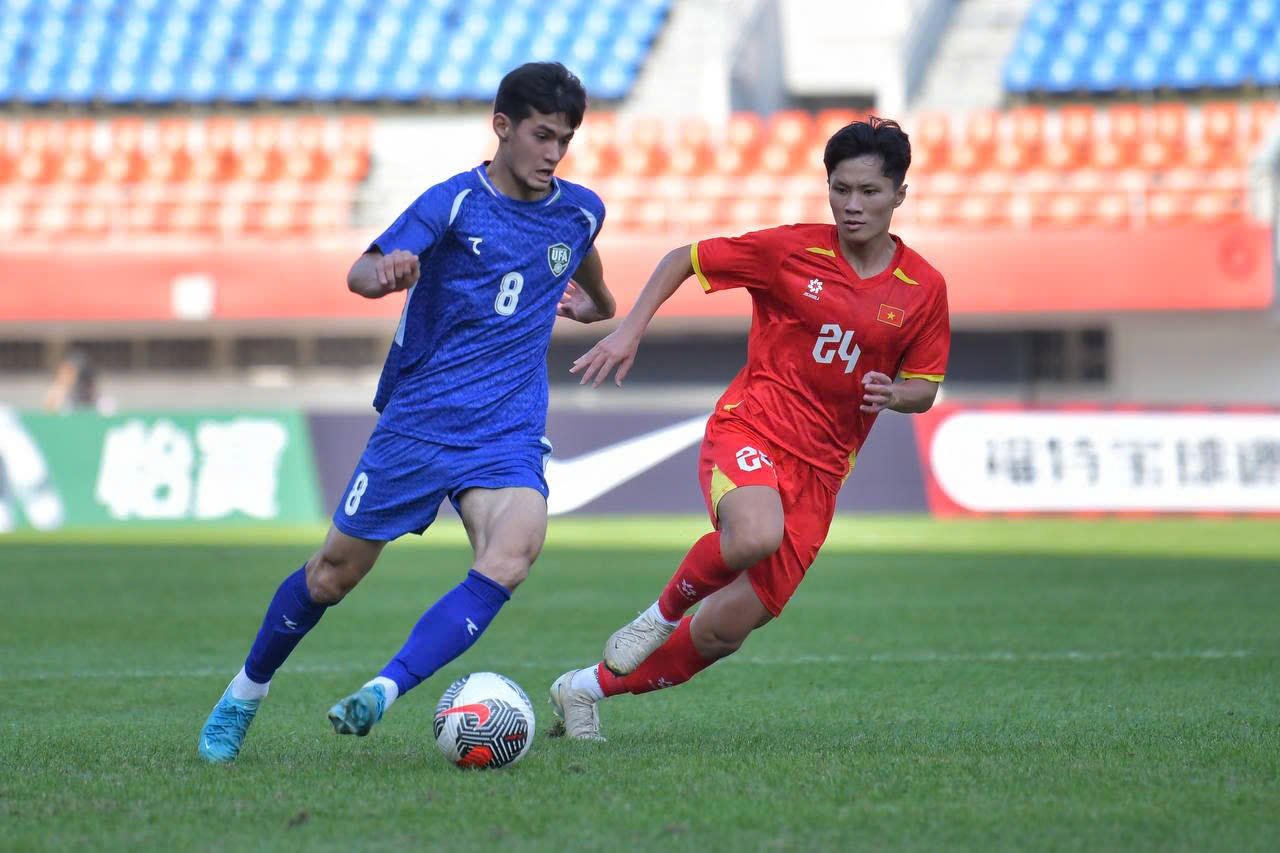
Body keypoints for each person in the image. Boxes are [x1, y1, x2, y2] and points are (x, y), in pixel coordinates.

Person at [198, 62, 616, 763]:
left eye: (564, 140)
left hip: (507, 430)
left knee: (512, 554)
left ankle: (383, 690)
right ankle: (244, 693)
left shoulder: (580, 211)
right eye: (541, 135)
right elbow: (362, 271)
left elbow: (593, 279)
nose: (553, 153)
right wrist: (386, 273)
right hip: (420, 423)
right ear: (502, 126)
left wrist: (595, 306)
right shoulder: (454, 203)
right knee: (331, 575)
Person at [548, 117, 950, 740]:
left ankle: (583, 690)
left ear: (899, 194)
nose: (852, 205)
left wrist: (896, 394)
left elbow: (924, 388)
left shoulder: (922, 288)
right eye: (840, 189)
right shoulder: (789, 252)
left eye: (869, 191)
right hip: (752, 427)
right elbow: (685, 258)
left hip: (822, 473)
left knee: (721, 632)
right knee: (755, 534)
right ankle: (658, 616)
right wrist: (628, 330)